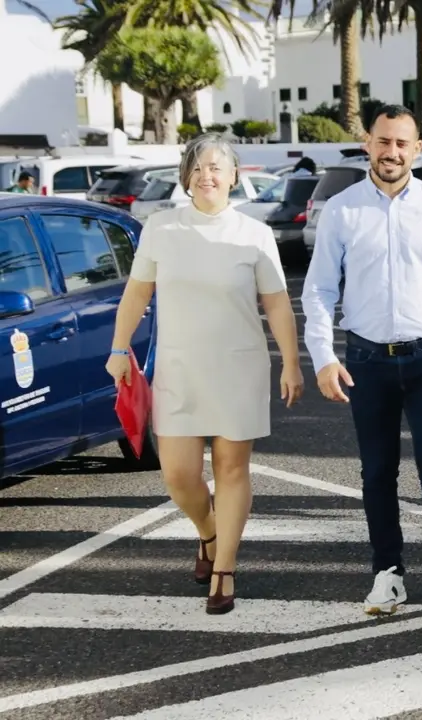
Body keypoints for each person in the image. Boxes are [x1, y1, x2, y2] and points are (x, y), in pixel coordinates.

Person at [105, 133, 304, 615]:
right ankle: (209, 531)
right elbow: (136, 294)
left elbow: (276, 303)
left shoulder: (254, 233)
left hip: (239, 365)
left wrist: (292, 363)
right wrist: (118, 349)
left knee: (233, 469)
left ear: (234, 176)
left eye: (217, 167)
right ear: (185, 178)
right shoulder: (162, 228)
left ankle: (225, 568)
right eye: (197, 168)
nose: (206, 175)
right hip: (179, 366)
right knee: (178, 475)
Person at [301, 104, 422, 624]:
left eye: (402, 143)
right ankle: (388, 574)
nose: (392, 152)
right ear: (368, 143)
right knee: (377, 472)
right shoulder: (341, 209)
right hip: (365, 360)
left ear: (417, 149)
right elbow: (317, 292)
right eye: (384, 142)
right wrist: (323, 358)